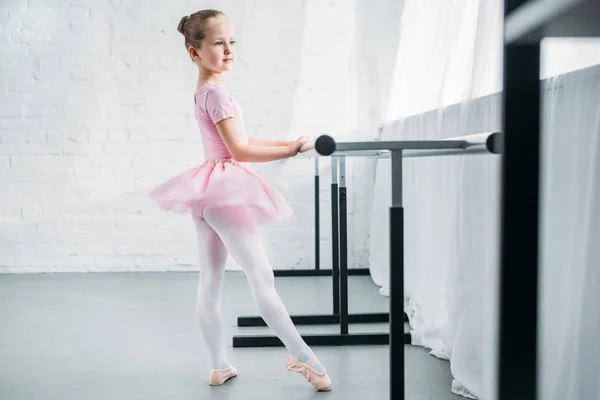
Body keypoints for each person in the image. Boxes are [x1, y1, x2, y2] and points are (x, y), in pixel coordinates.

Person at [149, 9, 330, 392]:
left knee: (211, 280)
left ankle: (219, 366)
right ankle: (304, 358)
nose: (229, 50)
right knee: (260, 275)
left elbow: (243, 139)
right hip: (223, 190)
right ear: (194, 53)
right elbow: (240, 150)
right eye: (218, 43)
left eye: (232, 42)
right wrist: (289, 151)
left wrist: (290, 144)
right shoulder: (215, 92)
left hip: (207, 189)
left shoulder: (206, 90)